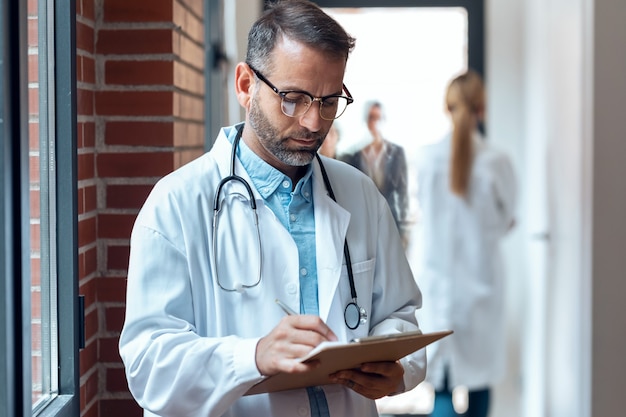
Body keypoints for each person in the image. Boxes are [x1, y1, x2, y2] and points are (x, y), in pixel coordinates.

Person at [118, 1, 426, 416]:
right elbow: (149, 366)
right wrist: (253, 356)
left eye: (329, 101)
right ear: (245, 84)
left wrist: (397, 368)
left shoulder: (359, 193)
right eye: (294, 98)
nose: (315, 122)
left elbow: (399, 315)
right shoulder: (175, 204)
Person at [415, 70, 516, 417]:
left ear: (448, 108)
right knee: (479, 383)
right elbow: (507, 220)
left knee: (441, 385)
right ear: (482, 109)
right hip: (480, 290)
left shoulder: (426, 159)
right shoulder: (496, 161)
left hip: (436, 287)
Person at [340, 101, 411, 248]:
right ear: (366, 121)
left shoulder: (397, 153)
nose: (375, 122)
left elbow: (402, 193)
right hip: (365, 224)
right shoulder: (355, 156)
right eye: (372, 117)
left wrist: (404, 229)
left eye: (379, 118)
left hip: (392, 222)